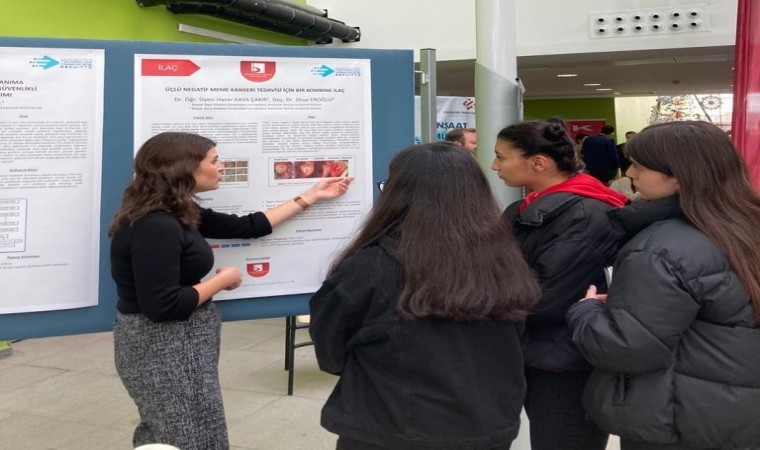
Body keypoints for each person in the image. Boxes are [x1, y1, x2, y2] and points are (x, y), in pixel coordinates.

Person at [109, 131, 353, 450]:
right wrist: (223, 280)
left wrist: (312, 195)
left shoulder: (177, 211)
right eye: (214, 161)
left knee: (192, 428)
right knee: (181, 434)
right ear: (184, 167)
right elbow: (163, 305)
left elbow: (248, 227)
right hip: (161, 347)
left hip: (179, 344)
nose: (222, 167)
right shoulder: (156, 225)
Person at [309, 142, 541, 450]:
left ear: (397, 195)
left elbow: (331, 348)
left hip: (389, 429)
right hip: (488, 427)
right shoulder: (506, 261)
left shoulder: (370, 267)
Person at [567, 121, 760, 450]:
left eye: (639, 165)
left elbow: (628, 349)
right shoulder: (745, 225)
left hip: (679, 419)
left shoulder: (660, 249)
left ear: (679, 175)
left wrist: (585, 311)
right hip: (738, 415)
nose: (630, 173)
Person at [490, 121, 627, 450]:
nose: (494, 166)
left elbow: (546, 297)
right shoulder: (524, 209)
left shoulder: (588, 216)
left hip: (567, 362)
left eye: (501, 157)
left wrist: (484, 296)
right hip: (534, 352)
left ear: (538, 162)